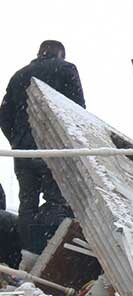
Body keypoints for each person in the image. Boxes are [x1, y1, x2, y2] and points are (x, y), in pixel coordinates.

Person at [0, 40, 84, 254]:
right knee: (56, 199)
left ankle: (27, 252)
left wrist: (17, 141)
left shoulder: (19, 75)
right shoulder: (66, 69)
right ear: (60, 54)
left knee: (27, 202)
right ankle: (49, 251)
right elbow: (77, 109)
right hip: (52, 148)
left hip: (23, 150)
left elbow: (4, 116)